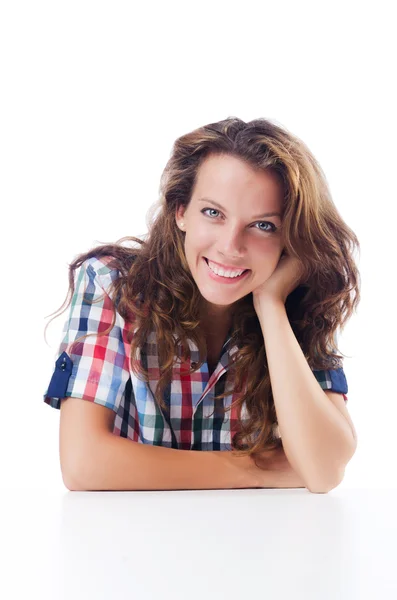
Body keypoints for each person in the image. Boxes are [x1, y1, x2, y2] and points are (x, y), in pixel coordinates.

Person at [43, 116, 360, 492]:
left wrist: (271, 305)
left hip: (256, 546)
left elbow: (323, 471)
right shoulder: (110, 284)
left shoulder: (299, 301)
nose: (230, 246)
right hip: (126, 543)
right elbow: (83, 465)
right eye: (214, 213)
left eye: (263, 225)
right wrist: (257, 470)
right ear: (181, 212)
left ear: (289, 238)